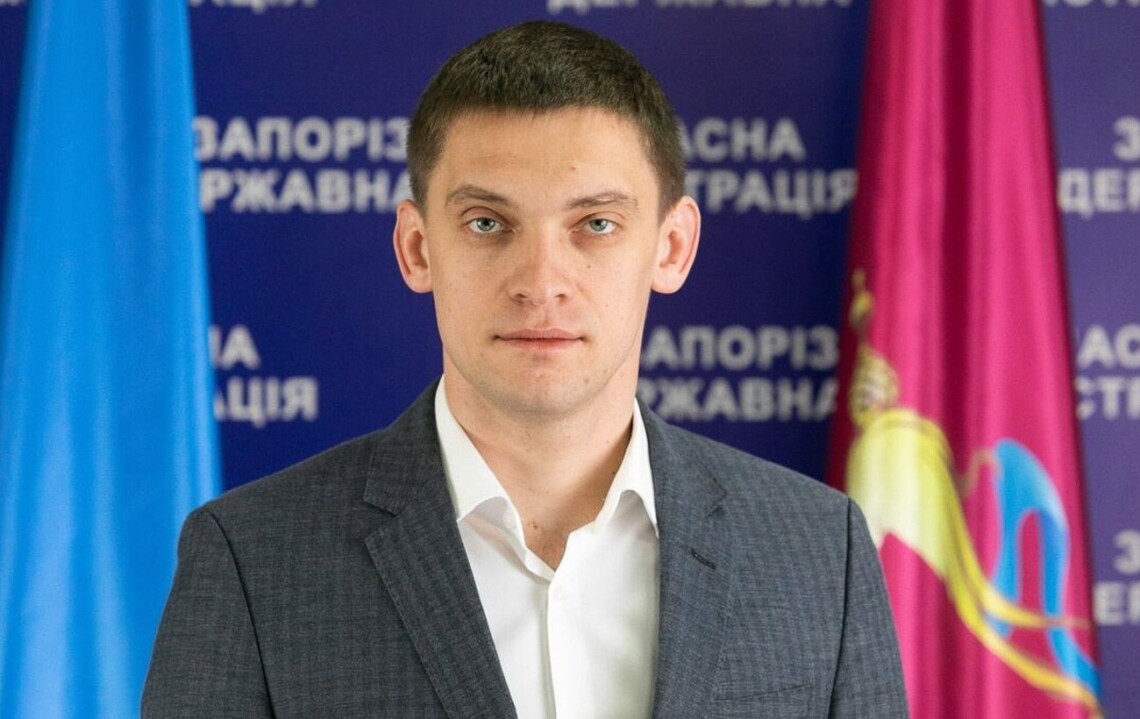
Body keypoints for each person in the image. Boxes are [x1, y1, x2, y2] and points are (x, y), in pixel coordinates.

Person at [143, 20, 908, 718]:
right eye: (488, 223)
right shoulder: (253, 559)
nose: (541, 281)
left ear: (671, 247)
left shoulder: (819, 551)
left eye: (596, 223)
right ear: (417, 247)